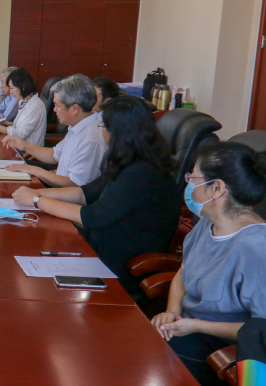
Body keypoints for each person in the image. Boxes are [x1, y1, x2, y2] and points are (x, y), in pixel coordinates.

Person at [10, 96, 182, 301]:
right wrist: (37, 194)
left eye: (103, 126)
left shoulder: (143, 173)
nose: (101, 131)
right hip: (101, 243)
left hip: (120, 264)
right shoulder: (130, 160)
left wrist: (37, 201)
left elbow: (93, 216)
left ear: (118, 132)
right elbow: (84, 193)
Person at [151, 142, 266, 386]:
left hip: (223, 350)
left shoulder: (256, 247)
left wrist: (196, 326)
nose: (188, 184)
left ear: (217, 188)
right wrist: (172, 311)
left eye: (193, 178)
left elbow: (260, 332)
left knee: (144, 362)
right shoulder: (207, 222)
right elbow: (184, 272)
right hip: (187, 328)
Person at [2, 74, 106, 187]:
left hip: (63, 193)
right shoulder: (77, 126)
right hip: (57, 185)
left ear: (74, 109)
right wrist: (24, 145)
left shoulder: (90, 139)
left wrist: (35, 170)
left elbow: (74, 186)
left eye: (57, 105)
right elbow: (55, 154)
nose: (54, 110)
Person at [0, 68, 46, 146]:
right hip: (18, 145)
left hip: (27, 150)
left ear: (22, 87)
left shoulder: (35, 106)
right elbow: (21, 125)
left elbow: (21, 134)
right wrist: (6, 123)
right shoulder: (24, 102)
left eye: (12, 88)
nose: (11, 92)